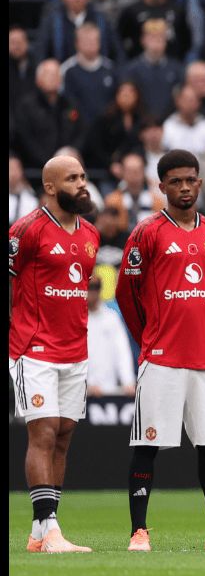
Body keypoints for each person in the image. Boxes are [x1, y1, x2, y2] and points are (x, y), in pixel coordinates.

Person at [116, 150, 205, 551]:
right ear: (161, 187)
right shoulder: (147, 233)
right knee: (147, 443)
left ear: (200, 182)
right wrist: (150, 338)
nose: (183, 187)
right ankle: (138, 531)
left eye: (190, 180)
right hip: (162, 359)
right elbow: (127, 293)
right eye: (175, 181)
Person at [9, 154, 99, 553]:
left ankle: (38, 533)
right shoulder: (26, 230)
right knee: (42, 432)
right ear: (49, 186)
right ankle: (51, 529)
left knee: (63, 437)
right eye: (72, 178)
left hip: (75, 350)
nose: (82, 184)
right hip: (35, 348)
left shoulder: (90, 235)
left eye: (83, 176)